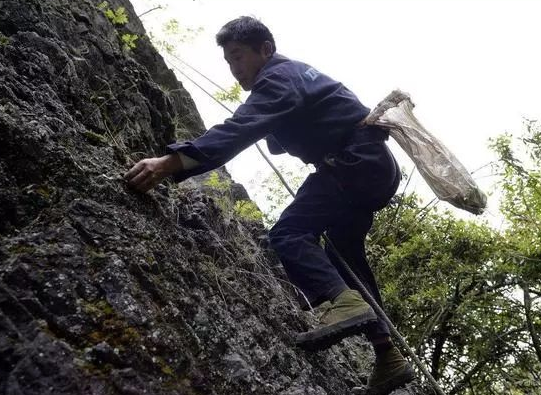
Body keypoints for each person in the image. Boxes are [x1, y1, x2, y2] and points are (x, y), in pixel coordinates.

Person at [124, 16, 414, 395]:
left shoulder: (278, 76)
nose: (235, 70)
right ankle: (388, 356)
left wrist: (170, 162)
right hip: (370, 167)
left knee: (289, 234)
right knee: (343, 256)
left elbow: (240, 128)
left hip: (353, 163)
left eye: (239, 57)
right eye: (228, 62)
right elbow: (290, 121)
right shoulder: (294, 77)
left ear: (266, 49)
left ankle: (344, 304)